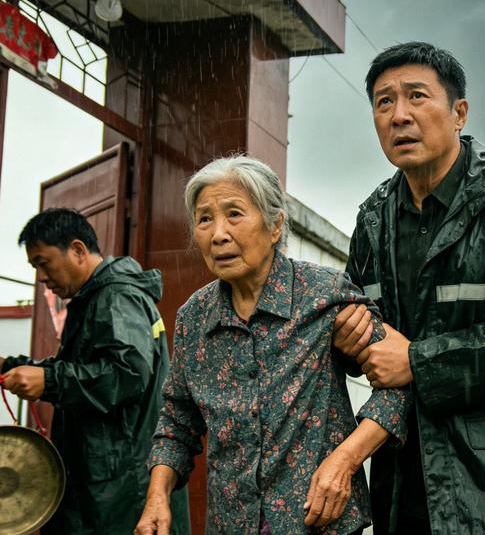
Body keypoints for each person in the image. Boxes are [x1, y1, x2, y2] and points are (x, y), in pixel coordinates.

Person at [332, 41, 485, 534]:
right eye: (384, 102)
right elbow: (353, 317)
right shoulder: (374, 218)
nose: (399, 115)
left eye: (417, 96)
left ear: (459, 112)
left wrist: (417, 362)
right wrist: (346, 334)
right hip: (404, 483)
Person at [134, 156, 408, 535]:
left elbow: (399, 384)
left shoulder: (324, 294)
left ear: (276, 224)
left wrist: (345, 460)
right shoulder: (194, 318)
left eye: (234, 214)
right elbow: (178, 420)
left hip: (319, 521)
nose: (218, 234)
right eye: (204, 219)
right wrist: (158, 496)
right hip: (232, 523)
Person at [0, 208, 190, 534]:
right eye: (35, 267)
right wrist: (11, 366)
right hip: (107, 478)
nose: (41, 277)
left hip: (120, 485)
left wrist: (50, 381)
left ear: (77, 250)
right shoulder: (96, 298)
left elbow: (128, 376)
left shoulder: (117, 297)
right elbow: (85, 369)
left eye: (43, 263)